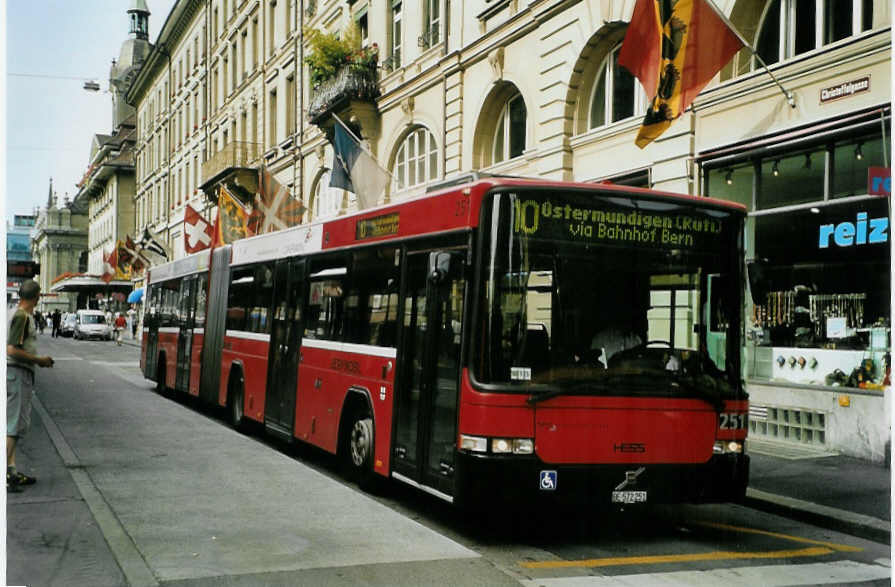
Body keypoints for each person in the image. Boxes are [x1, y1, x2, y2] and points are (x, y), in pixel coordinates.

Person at [7, 280, 54, 492]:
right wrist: (39, 360)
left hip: (16, 374)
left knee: (12, 424)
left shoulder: (15, 314)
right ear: (37, 297)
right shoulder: (21, 317)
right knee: (14, 426)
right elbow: (12, 350)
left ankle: (11, 470)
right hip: (17, 374)